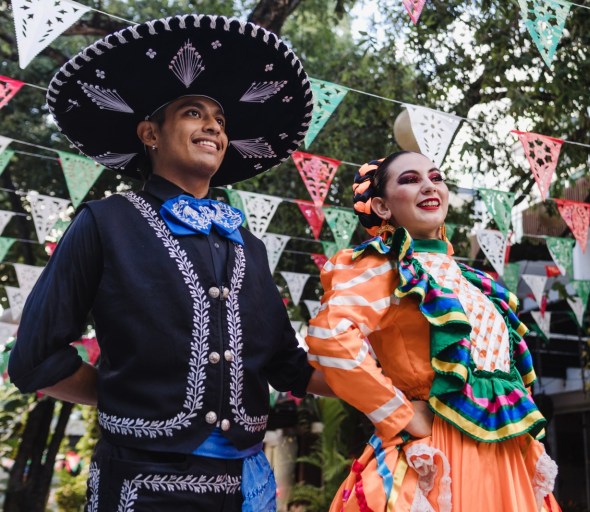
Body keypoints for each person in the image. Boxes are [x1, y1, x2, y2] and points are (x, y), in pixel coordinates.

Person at [8, 14, 331, 511]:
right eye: (193, 113)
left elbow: (287, 366)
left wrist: (394, 377)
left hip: (248, 489)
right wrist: (127, 397)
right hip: (141, 485)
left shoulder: (250, 245)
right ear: (150, 133)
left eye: (221, 121)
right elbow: (35, 359)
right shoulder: (104, 222)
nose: (213, 127)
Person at [305, 151, 561, 511]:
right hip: (437, 458)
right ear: (382, 207)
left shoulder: (473, 281)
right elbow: (331, 337)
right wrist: (400, 413)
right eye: (410, 180)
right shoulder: (387, 267)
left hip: (507, 460)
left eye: (436, 177)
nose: (429, 186)